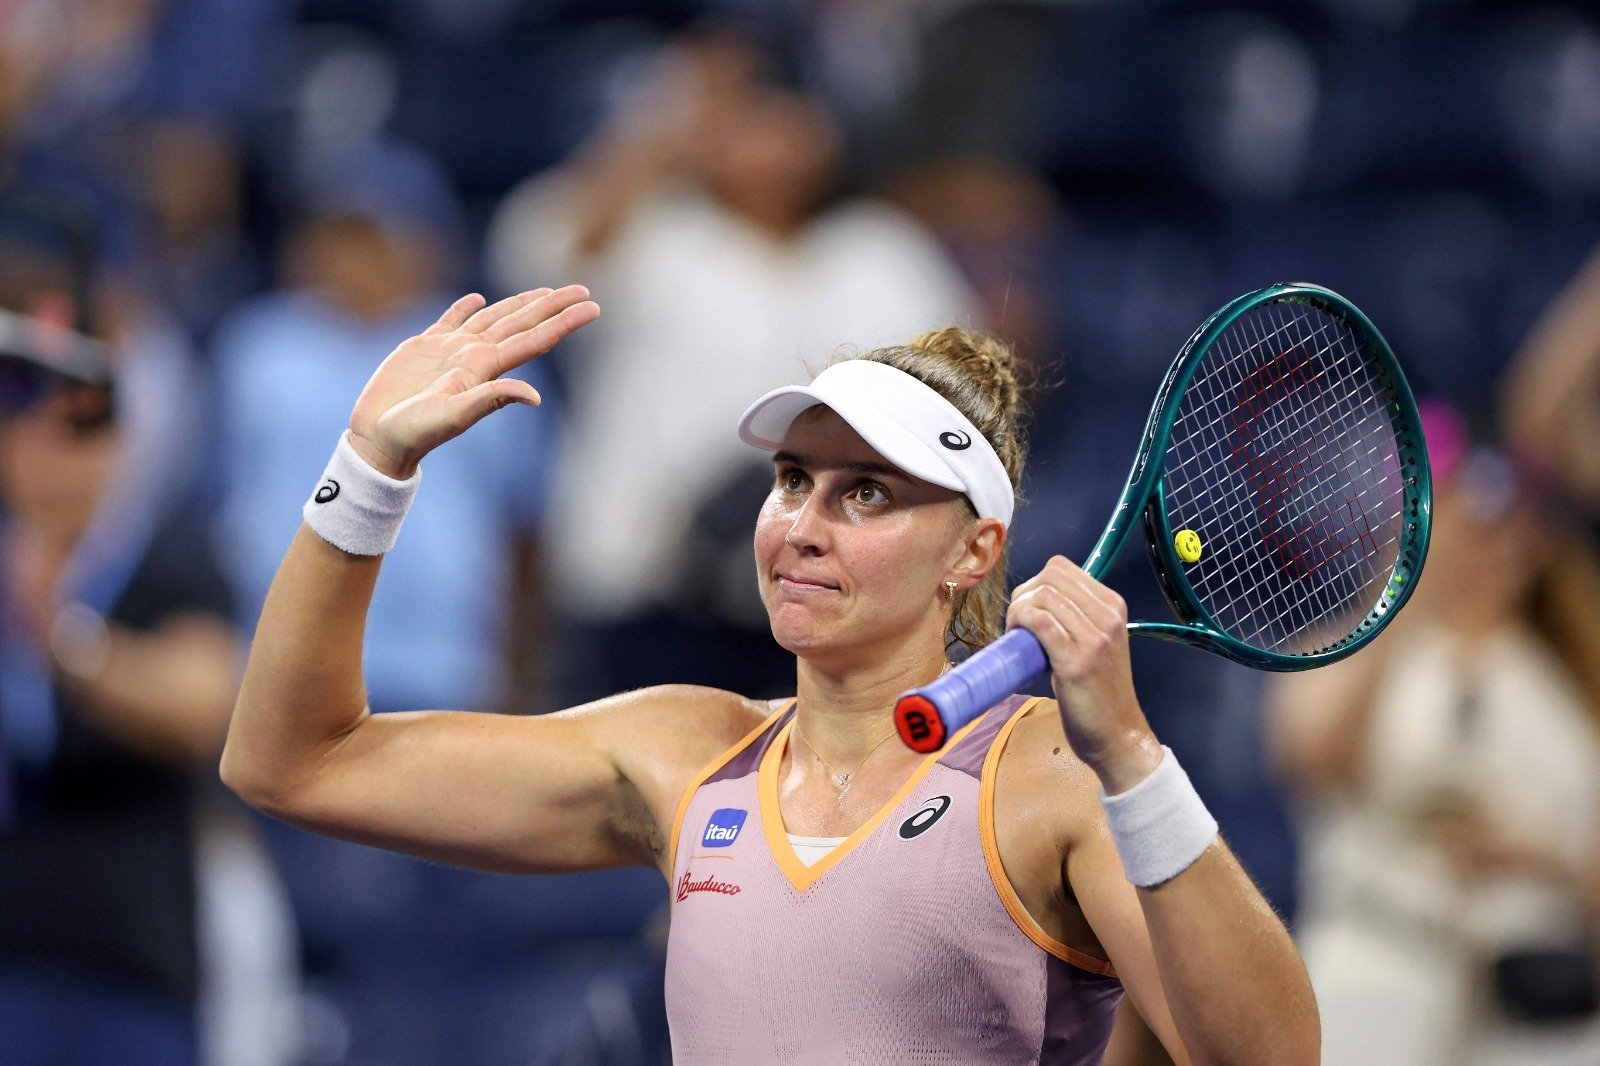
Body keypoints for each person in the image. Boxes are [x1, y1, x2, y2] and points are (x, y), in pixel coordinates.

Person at [221, 285, 1318, 1063]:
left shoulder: (1052, 780)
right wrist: (370, 465)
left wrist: (1127, 750)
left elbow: (1269, 1061)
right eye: (792, 480)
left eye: (867, 494)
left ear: (974, 550)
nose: (803, 525)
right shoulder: (683, 754)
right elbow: (292, 762)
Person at [1269, 402, 1600, 1065]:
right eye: (1465, 521)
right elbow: (1313, 759)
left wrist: (1544, 861)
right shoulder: (1359, 644)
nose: (1487, 544)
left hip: (1536, 994)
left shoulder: (1576, 667)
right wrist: (1408, 586)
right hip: (1380, 964)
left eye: (1505, 524)